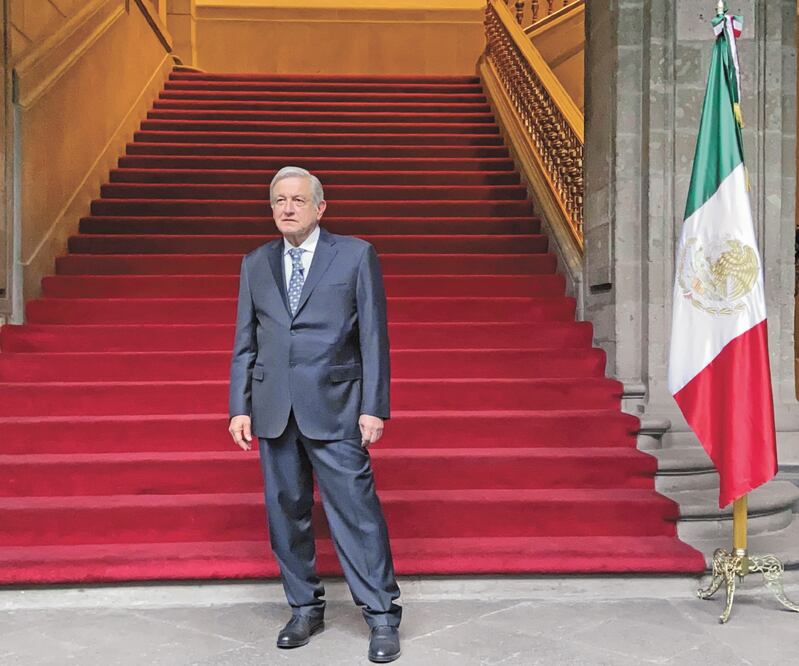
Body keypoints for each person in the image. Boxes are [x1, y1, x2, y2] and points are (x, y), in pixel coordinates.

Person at [228, 166, 402, 663]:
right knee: (286, 513)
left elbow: (372, 334)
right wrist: (238, 406)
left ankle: (381, 616)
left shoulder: (354, 254)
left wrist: (374, 406)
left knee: (356, 512)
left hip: (337, 406)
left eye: (297, 200)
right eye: (278, 200)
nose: (286, 208)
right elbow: (246, 341)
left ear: (320, 207)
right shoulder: (255, 262)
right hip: (273, 409)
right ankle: (305, 608)